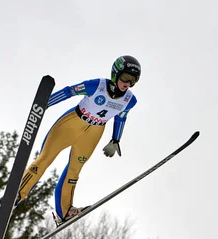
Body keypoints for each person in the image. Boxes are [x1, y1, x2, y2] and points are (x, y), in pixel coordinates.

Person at [15, 55, 141, 225]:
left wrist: (115, 139)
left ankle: (64, 212)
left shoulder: (129, 100)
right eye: (125, 78)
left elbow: (121, 118)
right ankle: (18, 193)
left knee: (74, 170)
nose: (128, 84)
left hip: (94, 132)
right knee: (45, 158)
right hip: (72, 123)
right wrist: (45, 103)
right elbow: (69, 91)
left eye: (133, 81)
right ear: (115, 74)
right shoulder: (97, 85)